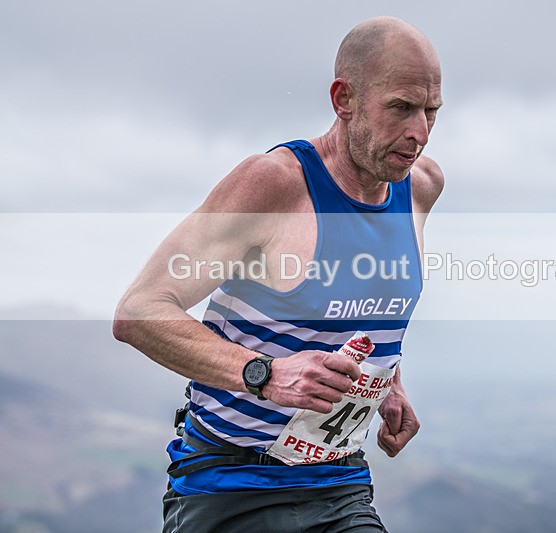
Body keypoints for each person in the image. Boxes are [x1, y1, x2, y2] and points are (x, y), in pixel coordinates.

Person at [113, 15, 444, 532]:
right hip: (230, 484)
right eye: (401, 108)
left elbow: (360, 306)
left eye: (431, 111)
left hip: (339, 484)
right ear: (344, 99)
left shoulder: (419, 186)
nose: (418, 132)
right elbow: (138, 312)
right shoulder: (273, 185)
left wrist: (386, 385)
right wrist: (265, 374)